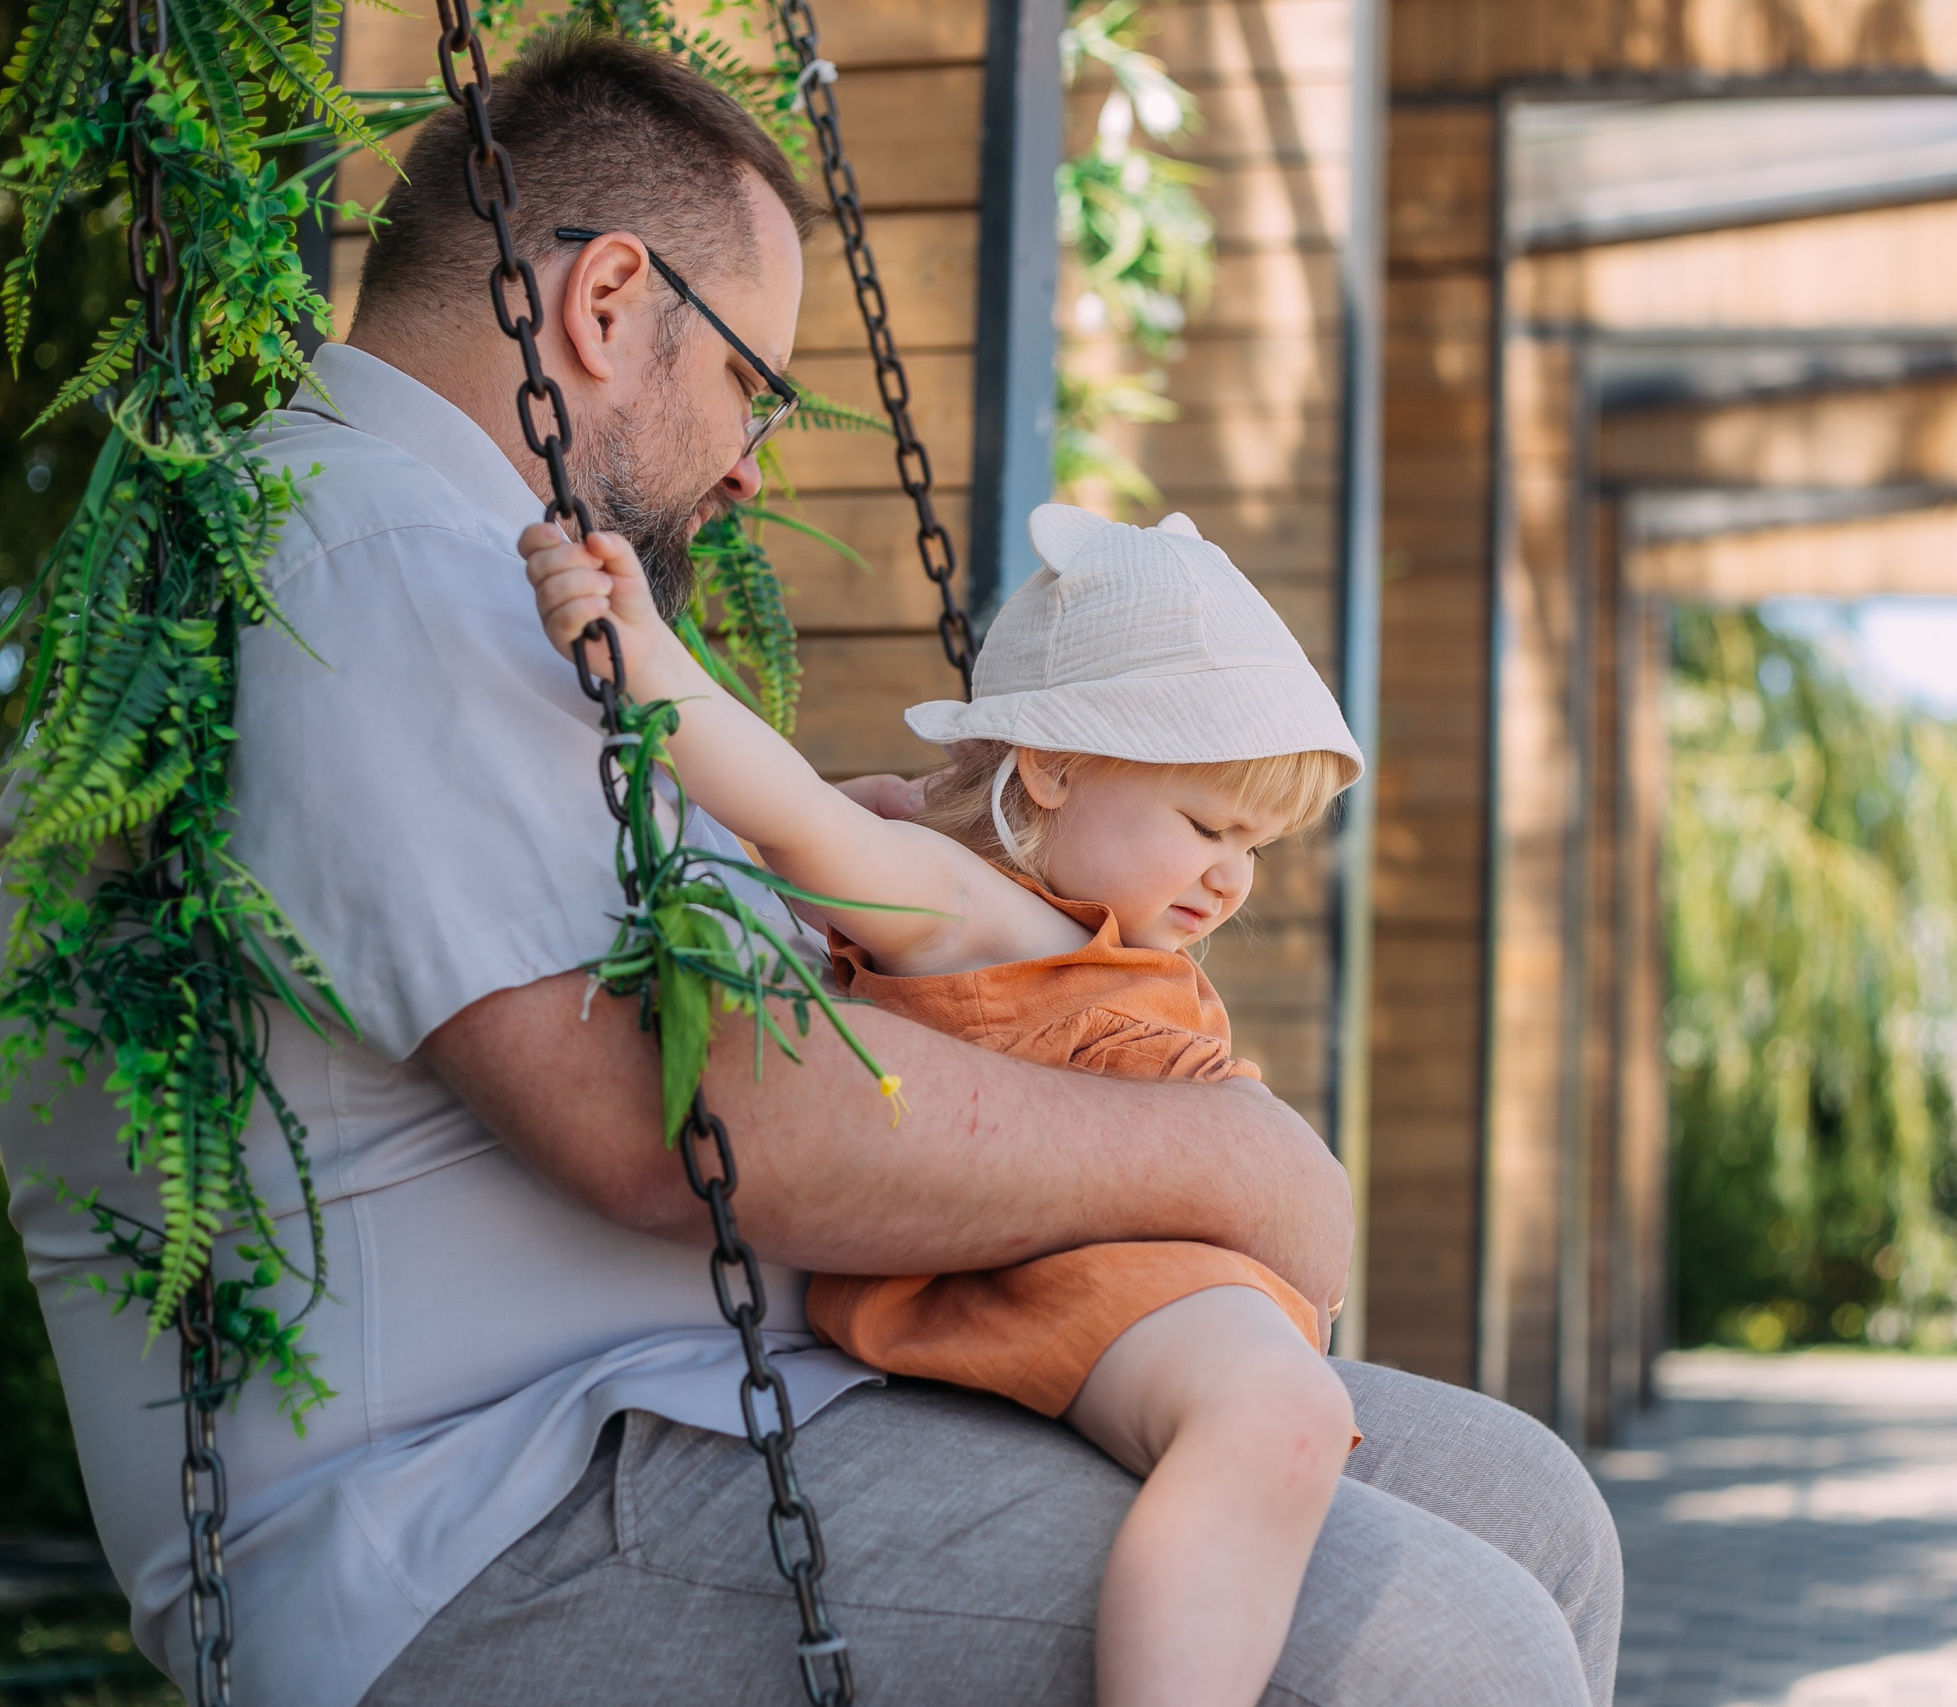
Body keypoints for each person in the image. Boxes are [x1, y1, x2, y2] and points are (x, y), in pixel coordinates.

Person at [0, 30, 1624, 1707]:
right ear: (606, 303)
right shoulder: (373, 550)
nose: (759, 461)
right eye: (752, 384)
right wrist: (1222, 1156)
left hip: (705, 1393)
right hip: (481, 1505)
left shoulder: (478, 561)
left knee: (1528, 1507)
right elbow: (670, 1123)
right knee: (1436, 1646)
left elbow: (761, 953)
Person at [523, 496, 1367, 1706]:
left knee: (1286, 1422)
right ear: (1057, 765)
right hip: (1047, 1278)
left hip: (1149, 1290)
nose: (1230, 876)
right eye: (1203, 824)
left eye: (1257, 847)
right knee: (1278, 1418)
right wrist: (649, 656)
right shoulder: (966, 905)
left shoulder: (1101, 938)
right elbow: (793, 816)